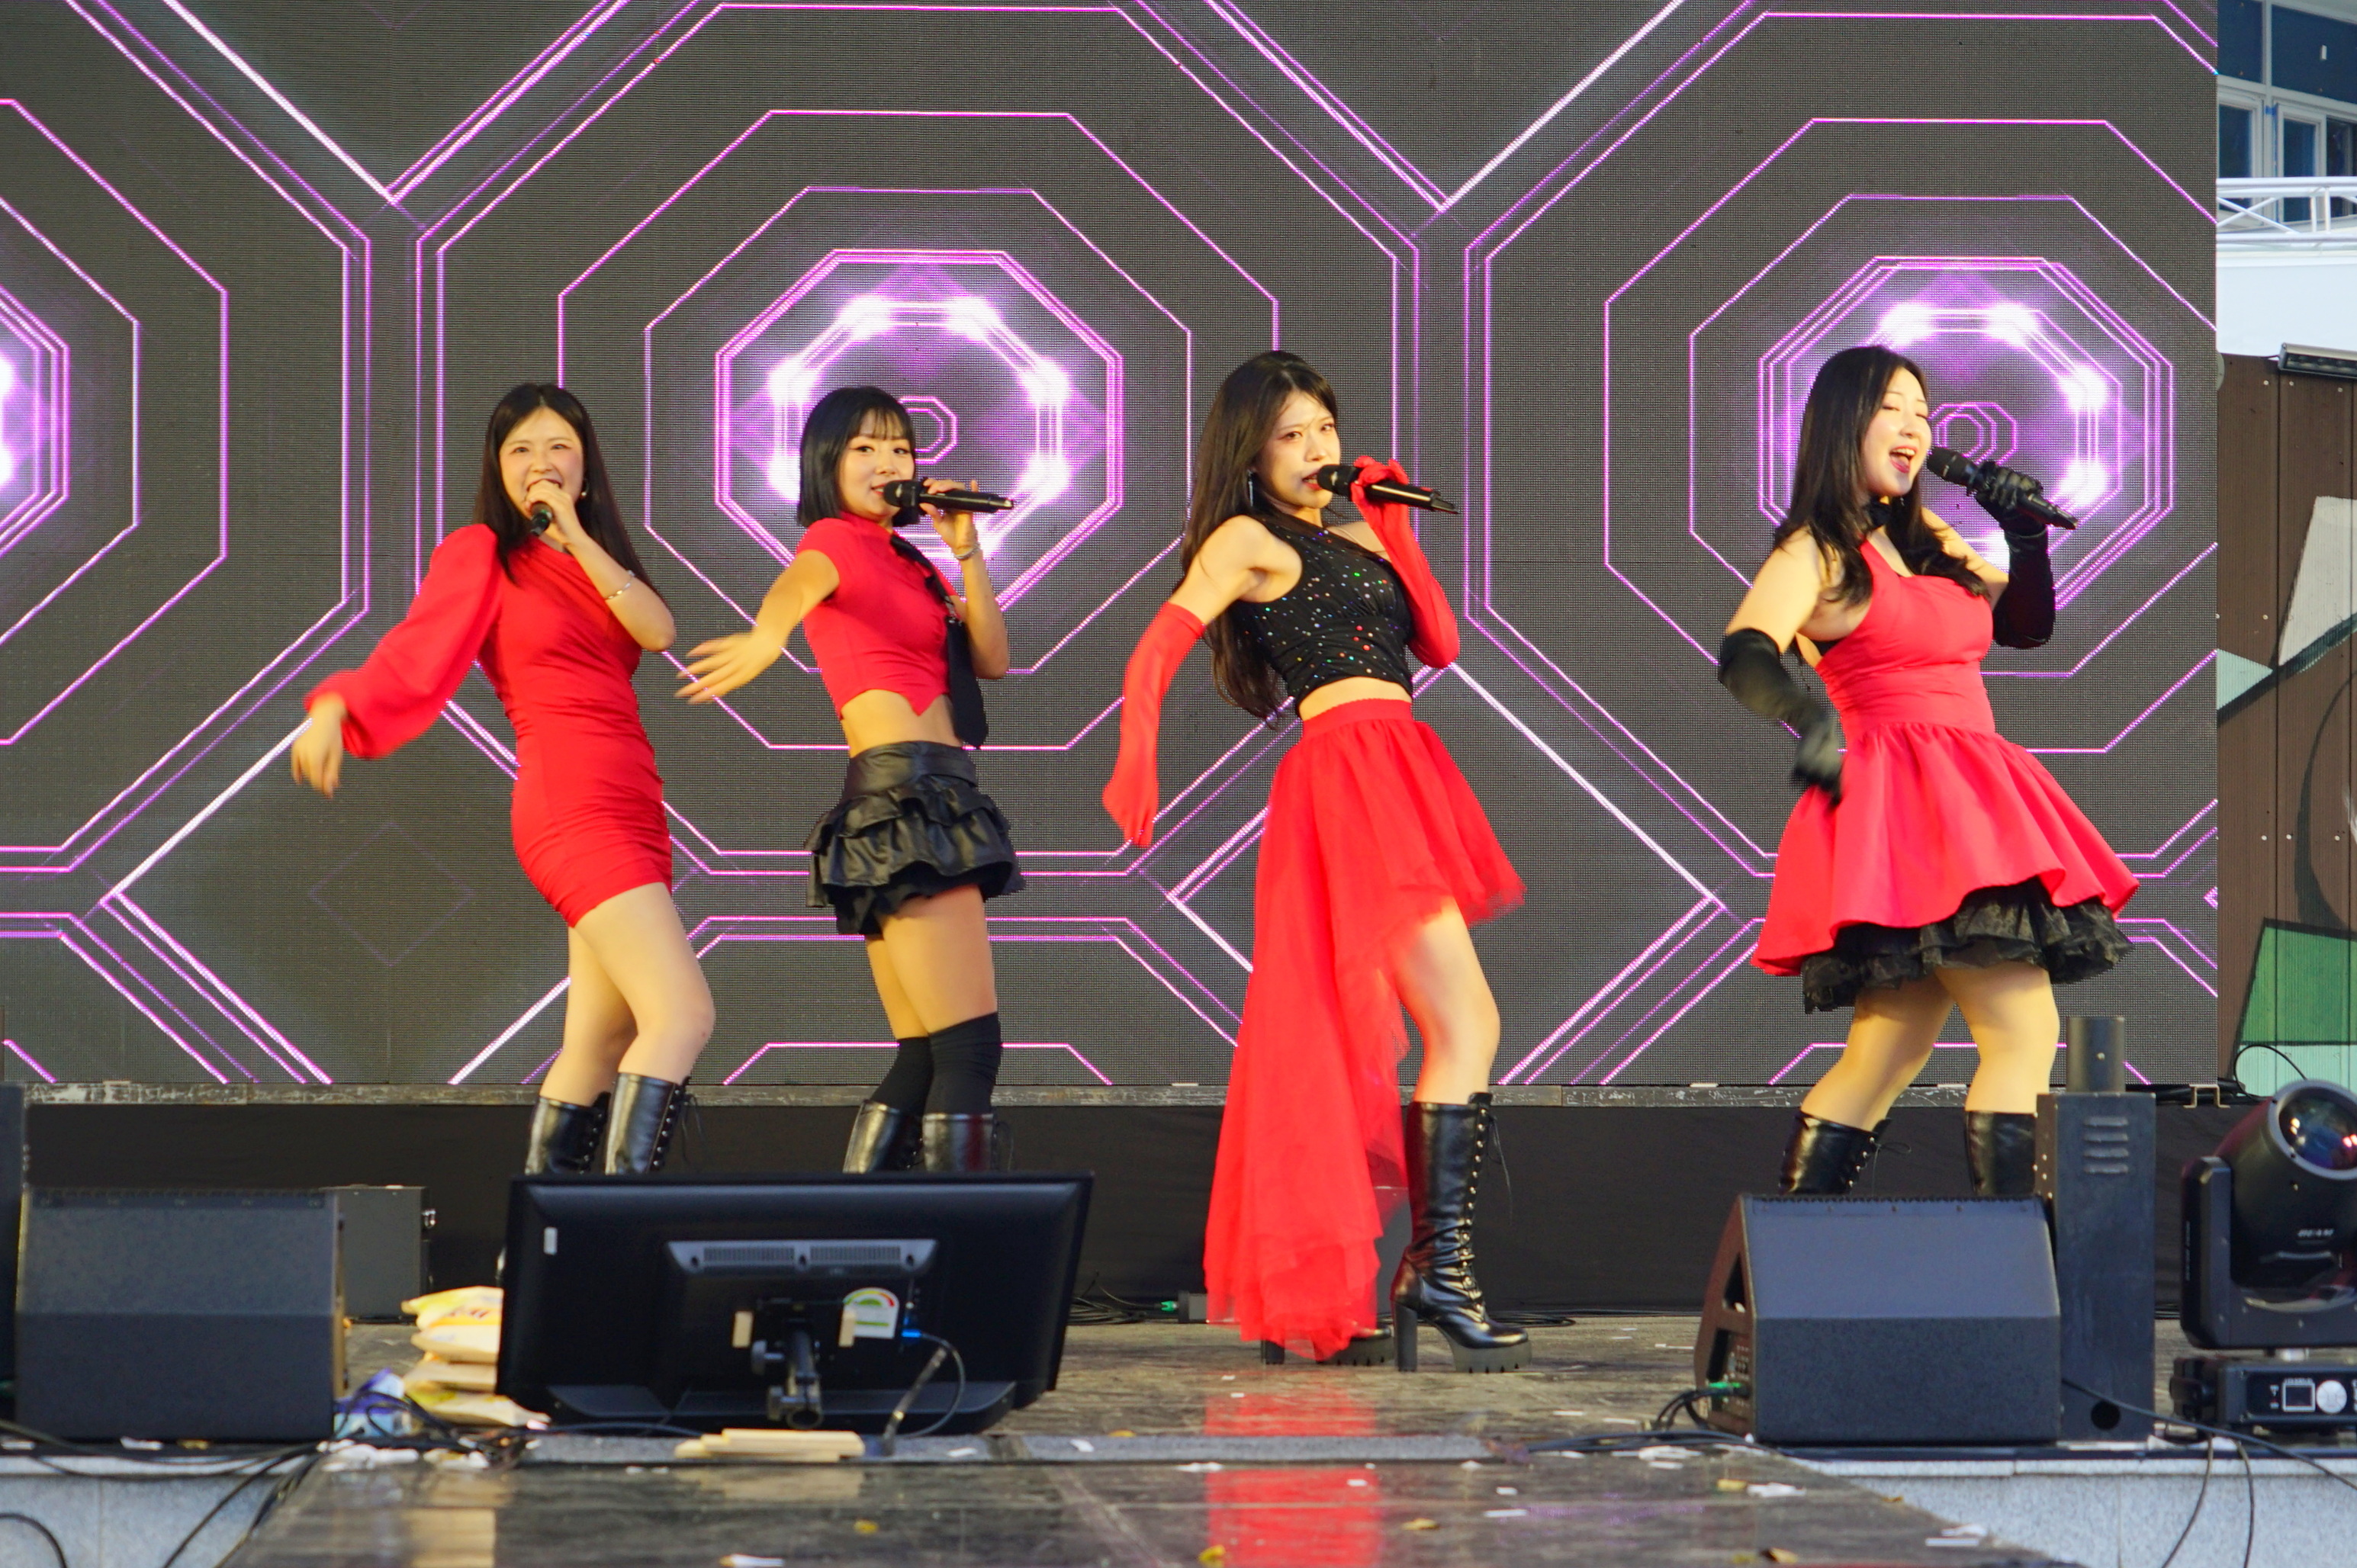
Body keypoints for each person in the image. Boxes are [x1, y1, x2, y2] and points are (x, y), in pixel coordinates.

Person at [1102, 351, 1528, 1372]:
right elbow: (1157, 646)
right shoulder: (1247, 538)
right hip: (1348, 773)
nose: (1313, 449)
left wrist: (1394, 529)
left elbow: (1441, 645)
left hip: (1399, 761)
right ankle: (1437, 1271)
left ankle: (1427, 1271)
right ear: (1250, 453)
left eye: (1323, 429)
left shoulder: (1358, 529)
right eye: (1289, 435)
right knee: (1464, 1021)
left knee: (1431, 1028)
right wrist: (1135, 756)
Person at [1718, 345, 2136, 1197]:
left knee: (1887, 1049)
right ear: (1844, 424)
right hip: (1906, 801)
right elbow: (1744, 650)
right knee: (2021, 1032)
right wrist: (1805, 719)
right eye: (1892, 409)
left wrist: (2022, 534)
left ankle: (1801, 1250)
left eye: (1922, 412)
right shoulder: (1816, 549)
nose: (1913, 428)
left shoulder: (1928, 539)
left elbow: (2024, 627)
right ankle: (2009, 1256)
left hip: (1970, 790)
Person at [294, 383, 713, 1174]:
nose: (539, 463)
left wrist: (576, 535)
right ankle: (616, 1229)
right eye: (520, 449)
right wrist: (336, 705)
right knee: (682, 1012)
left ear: (584, 466)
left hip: (632, 800)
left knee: (600, 1042)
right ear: (497, 466)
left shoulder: (592, 556)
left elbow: (657, 631)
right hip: (570, 801)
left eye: (558, 447)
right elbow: (414, 648)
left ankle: (546, 1236)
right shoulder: (482, 552)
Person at [680, 386, 1019, 1172]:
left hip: (923, 796)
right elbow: (797, 584)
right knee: (969, 1049)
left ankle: (866, 1233)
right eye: (864, 448)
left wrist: (965, 550)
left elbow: (993, 659)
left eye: (900, 448)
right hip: (910, 802)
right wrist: (766, 636)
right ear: (826, 462)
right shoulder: (833, 539)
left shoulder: (911, 561)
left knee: (925, 1054)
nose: (887, 462)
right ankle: (958, 1239)